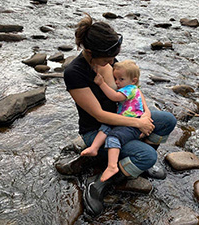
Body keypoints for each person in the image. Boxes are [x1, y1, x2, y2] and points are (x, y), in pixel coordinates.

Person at [63, 13, 177, 216]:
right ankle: (99, 184)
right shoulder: (75, 73)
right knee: (147, 156)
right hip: (98, 131)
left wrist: (145, 114)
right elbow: (99, 115)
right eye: (108, 58)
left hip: (125, 118)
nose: (112, 61)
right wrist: (138, 125)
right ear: (90, 52)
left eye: (113, 56)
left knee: (167, 120)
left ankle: (138, 163)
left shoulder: (107, 59)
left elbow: (132, 90)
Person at [81, 59, 152, 183]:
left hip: (131, 122)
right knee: (106, 126)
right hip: (126, 119)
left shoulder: (129, 89)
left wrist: (101, 83)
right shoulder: (133, 87)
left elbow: (114, 97)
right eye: (115, 79)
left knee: (113, 137)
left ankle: (112, 166)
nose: (117, 82)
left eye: (120, 79)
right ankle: (94, 147)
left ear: (133, 80)